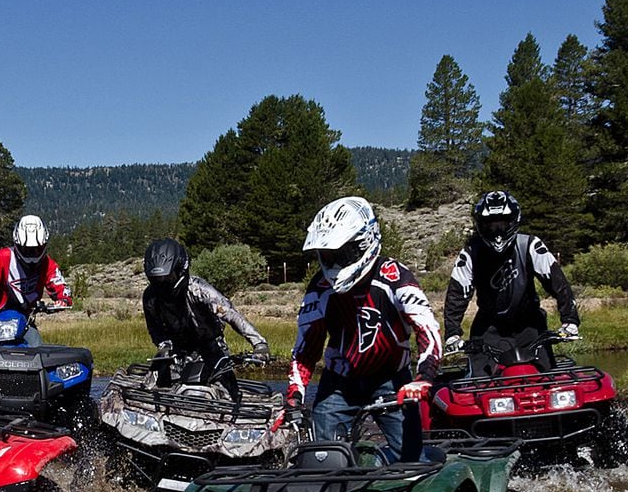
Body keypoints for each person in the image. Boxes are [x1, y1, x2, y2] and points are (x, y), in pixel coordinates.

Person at [290, 195, 443, 461]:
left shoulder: (394, 276)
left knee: (411, 463)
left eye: (342, 254)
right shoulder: (320, 288)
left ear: (365, 243)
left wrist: (425, 377)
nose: (335, 265)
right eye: (328, 256)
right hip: (339, 382)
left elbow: (427, 328)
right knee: (321, 460)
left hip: (392, 380)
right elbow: (305, 349)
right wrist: (294, 396)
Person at [443, 190, 581, 365]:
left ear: (514, 221)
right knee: (479, 384)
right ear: (480, 225)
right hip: (488, 328)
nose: (497, 232)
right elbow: (457, 295)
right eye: (490, 225)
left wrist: (570, 321)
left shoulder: (530, 245)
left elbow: (558, 284)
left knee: (547, 379)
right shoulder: (471, 253)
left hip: (530, 325)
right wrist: (452, 334)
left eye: (502, 224)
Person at [141, 238, 270, 402]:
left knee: (230, 394)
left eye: (168, 278)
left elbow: (231, 314)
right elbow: (155, 328)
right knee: (148, 390)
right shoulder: (151, 296)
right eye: (156, 280)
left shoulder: (198, 289)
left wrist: (259, 343)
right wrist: (163, 346)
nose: (162, 284)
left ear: (181, 269)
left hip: (211, 348)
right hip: (176, 351)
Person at [0, 214, 73, 345]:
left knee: (37, 352)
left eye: (36, 250)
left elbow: (60, 286)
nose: (32, 255)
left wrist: (63, 300)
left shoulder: (47, 264)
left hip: (24, 317)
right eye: (26, 250)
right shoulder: (1, 258)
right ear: (17, 244)